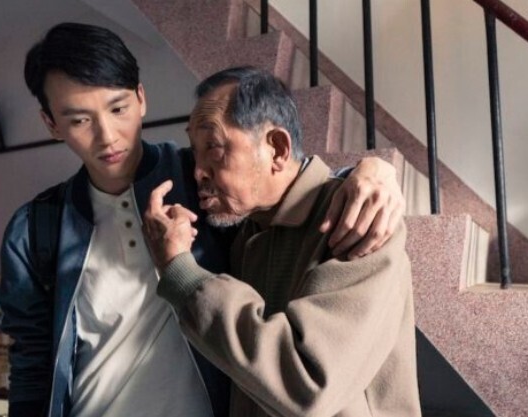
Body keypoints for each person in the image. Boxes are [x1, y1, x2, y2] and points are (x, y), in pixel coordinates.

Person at [0, 23, 407, 417]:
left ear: (141, 99)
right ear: (52, 124)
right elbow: (32, 365)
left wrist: (368, 174)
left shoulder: (203, 187)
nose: (107, 136)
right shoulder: (35, 230)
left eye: (118, 108)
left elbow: (278, 181)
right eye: (79, 120)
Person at [143, 66, 421, 417]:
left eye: (213, 147)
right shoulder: (248, 232)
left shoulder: (360, 220)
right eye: (194, 150)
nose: (198, 170)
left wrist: (180, 271)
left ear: (276, 149)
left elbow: (307, 385)